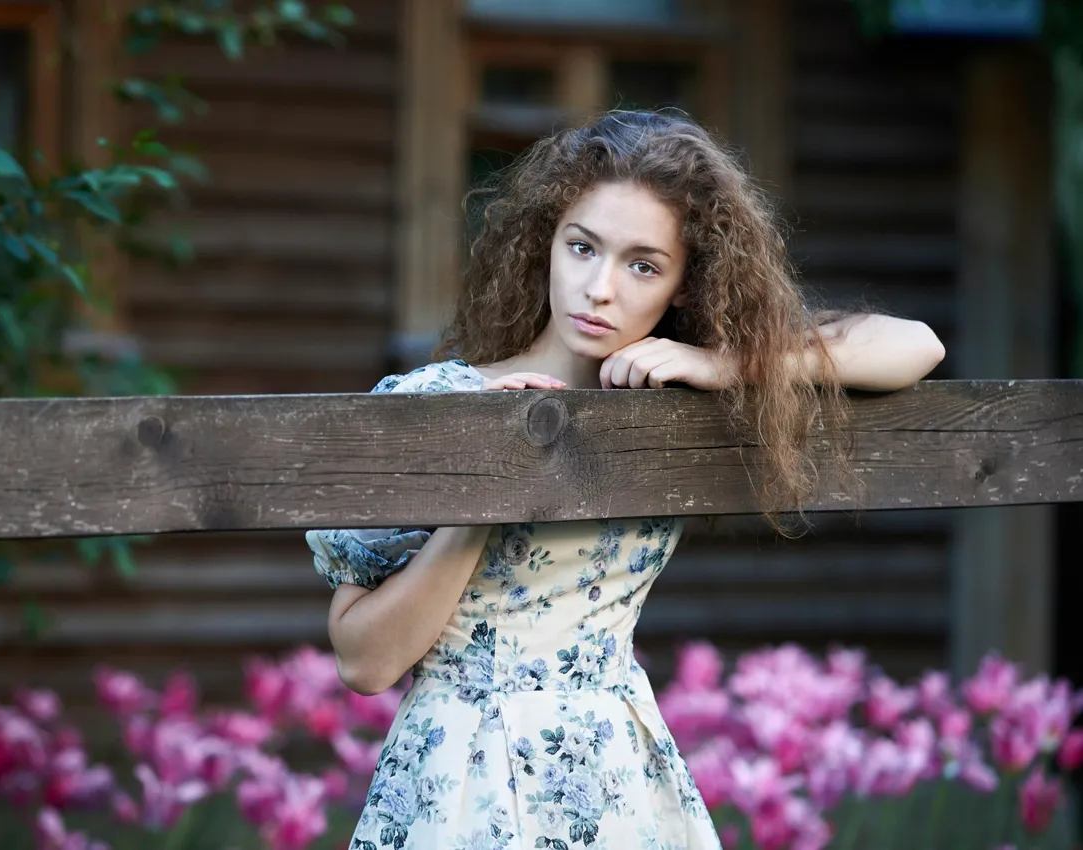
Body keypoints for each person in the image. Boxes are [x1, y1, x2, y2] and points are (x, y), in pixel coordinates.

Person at [305, 110, 945, 849]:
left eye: (643, 265)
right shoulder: (434, 401)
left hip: (610, 768)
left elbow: (916, 345)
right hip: (459, 771)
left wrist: (728, 364)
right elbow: (366, 662)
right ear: (546, 242)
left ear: (685, 285)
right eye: (582, 248)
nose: (599, 287)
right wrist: (487, 489)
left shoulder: (672, 399)